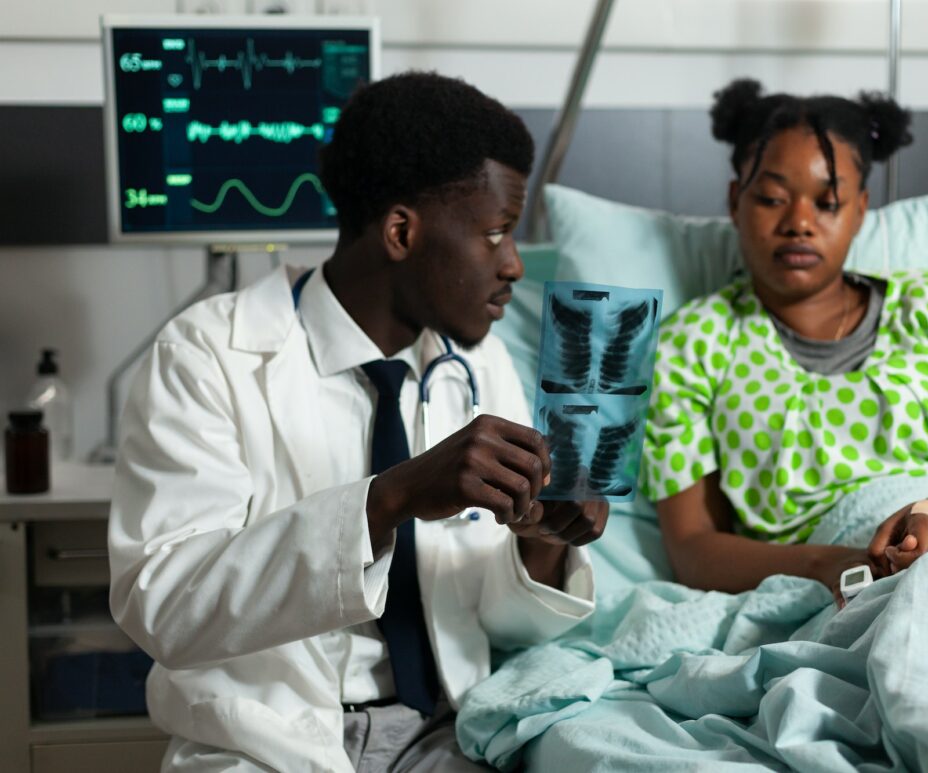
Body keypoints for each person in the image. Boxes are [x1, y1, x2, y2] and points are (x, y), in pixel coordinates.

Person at [108, 71, 608, 772]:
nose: (514, 264)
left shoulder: (479, 366)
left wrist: (541, 544)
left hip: (446, 736)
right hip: (266, 744)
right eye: (495, 233)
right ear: (402, 232)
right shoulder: (205, 355)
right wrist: (389, 499)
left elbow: (495, 623)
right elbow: (162, 605)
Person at [643, 78, 928, 603]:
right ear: (734, 201)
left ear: (860, 208)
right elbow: (694, 549)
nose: (799, 223)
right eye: (771, 198)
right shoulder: (694, 344)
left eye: (828, 202)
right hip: (846, 587)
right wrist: (827, 565)